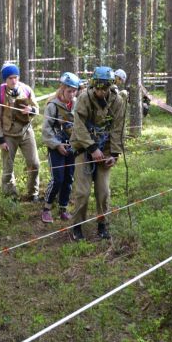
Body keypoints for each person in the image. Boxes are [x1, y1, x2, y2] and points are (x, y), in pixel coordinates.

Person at [69, 66, 126, 241]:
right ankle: (77, 226)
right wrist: (92, 148)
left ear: (110, 86)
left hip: (106, 151)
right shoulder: (84, 98)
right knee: (82, 192)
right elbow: (79, 126)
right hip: (83, 148)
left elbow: (117, 129)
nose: (101, 92)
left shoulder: (117, 101)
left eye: (104, 88)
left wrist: (114, 154)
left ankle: (102, 225)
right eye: (98, 88)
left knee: (103, 192)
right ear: (93, 85)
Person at [0, 62, 40, 201]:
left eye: (16, 77)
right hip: (8, 134)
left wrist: (31, 110)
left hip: (26, 131)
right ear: (5, 79)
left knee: (34, 163)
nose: (13, 80)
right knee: (8, 167)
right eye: (10, 78)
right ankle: (11, 196)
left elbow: (37, 109)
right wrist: (1, 139)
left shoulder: (26, 90)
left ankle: (33, 193)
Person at [41, 72, 81, 223]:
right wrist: (57, 145)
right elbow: (46, 130)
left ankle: (63, 208)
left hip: (71, 146)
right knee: (57, 178)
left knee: (69, 178)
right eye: (69, 91)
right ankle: (46, 208)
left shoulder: (76, 104)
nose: (72, 94)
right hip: (56, 146)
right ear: (62, 88)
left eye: (74, 91)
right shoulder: (52, 105)